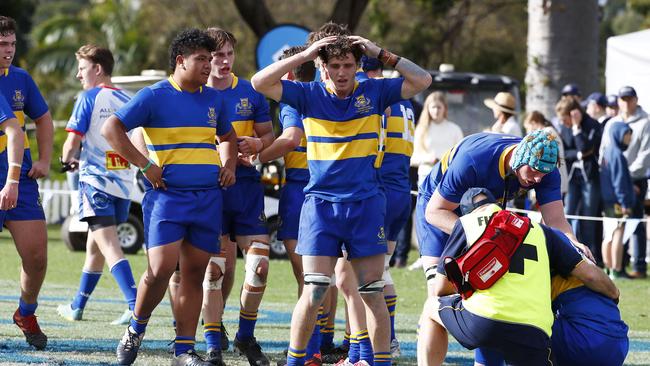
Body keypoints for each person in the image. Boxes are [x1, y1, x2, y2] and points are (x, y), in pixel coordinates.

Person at [252, 34, 432, 366]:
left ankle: (378, 362)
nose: (342, 72)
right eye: (334, 65)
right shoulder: (306, 94)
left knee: (371, 291)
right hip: (320, 206)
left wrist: (381, 52)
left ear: (358, 65)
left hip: (366, 205)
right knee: (315, 288)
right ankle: (296, 362)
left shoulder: (375, 92)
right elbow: (260, 81)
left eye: (348, 65)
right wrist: (303, 55)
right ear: (322, 67)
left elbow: (423, 80)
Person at [102, 28, 237, 365]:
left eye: (211, 58)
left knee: (194, 274)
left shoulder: (214, 99)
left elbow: (228, 135)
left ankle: (183, 351)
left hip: (208, 199)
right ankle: (136, 328)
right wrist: (145, 164)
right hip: (167, 198)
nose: (209, 65)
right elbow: (111, 129)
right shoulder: (154, 95)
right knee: (160, 269)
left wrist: (229, 163)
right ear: (181, 61)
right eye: (201, 59)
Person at [416, 188, 620, 366]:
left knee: (435, 306)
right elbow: (591, 275)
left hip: (489, 322)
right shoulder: (540, 230)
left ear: (466, 213)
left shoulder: (467, 223)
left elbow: (440, 289)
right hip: (540, 331)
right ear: (498, 206)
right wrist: (615, 292)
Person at [415, 130, 587, 298]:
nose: (538, 179)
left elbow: (556, 220)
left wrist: (573, 243)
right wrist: (479, 234)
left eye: (544, 174)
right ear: (519, 159)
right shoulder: (473, 160)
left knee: (480, 282)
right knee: (439, 289)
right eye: (534, 171)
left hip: (477, 207)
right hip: (439, 202)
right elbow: (434, 212)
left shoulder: (544, 169)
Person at [200, 28, 274, 365]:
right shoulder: (193, 92)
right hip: (207, 188)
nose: (224, 61)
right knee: (214, 270)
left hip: (245, 186)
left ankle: (246, 336)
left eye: (229, 53)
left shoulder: (251, 91)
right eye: (217, 55)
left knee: (258, 265)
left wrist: (257, 146)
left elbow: (268, 136)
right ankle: (213, 342)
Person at [57, 44, 138, 326]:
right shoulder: (128, 99)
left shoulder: (88, 97)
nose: (79, 75)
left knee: (110, 246)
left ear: (97, 69)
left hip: (96, 185)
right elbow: (134, 143)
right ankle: (77, 306)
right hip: (123, 186)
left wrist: (65, 160)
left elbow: (72, 143)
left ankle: (135, 305)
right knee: (95, 247)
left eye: (82, 69)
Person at [0, 15, 53, 351]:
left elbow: (42, 119)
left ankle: (26, 313)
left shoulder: (21, 78)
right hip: (12, 177)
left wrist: (46, 160)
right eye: (2, 45)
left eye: (12, 44)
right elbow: (14, 131)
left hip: (17, 178)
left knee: (36, 257)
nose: (9, 51)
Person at [361, 55, 415, 358]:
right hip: (400, 190)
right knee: (381, 270)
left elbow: (375, 145)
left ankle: (374, 346)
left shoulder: (374, 92)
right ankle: (388, 340)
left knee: (362, 276)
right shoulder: (403, 98)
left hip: (379, 188)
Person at [601, 86, 650, 279]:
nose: (626, 102)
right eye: (622, 98)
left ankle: (637, 265)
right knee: (618, 229)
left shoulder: (646, 121)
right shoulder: (612, 122)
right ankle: (615, 268)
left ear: (636, 100)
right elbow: (603, 152)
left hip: (635, 179)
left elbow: (646, 154)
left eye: (629, 98)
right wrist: (620, 178)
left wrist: (627, 178)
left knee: (634, 225)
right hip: (618, 185)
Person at [555, 97, 602, 263]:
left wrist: (576, 128)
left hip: (590, 177)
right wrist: (580, 155)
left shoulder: (593, 125)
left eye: (565, 119)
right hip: (572, 178)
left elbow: (586, 146)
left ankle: (591, 259)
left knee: (588, 218)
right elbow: (565, 152)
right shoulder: (563, 127)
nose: (563, 123)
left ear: (574, 113)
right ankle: (569, 254)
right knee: (567, 213)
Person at [600, 122, 635, 279]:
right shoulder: (618, 155)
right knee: (618, 234)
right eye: (627, 134)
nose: (629, 137)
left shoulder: (607, 152)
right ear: (618, 134)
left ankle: (608, 269)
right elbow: (619, 181)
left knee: (608, 235)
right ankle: (617, 269)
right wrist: (625, 203)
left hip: (607, 200)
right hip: (617, 202)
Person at [411, 91, 463, 186]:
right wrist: (428, 159)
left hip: (448, 177)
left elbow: (461, 156)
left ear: (445, 108)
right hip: (426, 176)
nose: (436, 111)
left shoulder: (455, 129)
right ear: (427, 109)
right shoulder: (421, 129)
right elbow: (413, 158)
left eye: (439, 107)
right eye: (433, 107)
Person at [523, 111, 568, 195]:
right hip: (554, 178)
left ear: (533, 123)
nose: (527, 132)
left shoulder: (547, 132)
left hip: (553, 179)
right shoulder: (548, 131)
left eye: (527, 128)